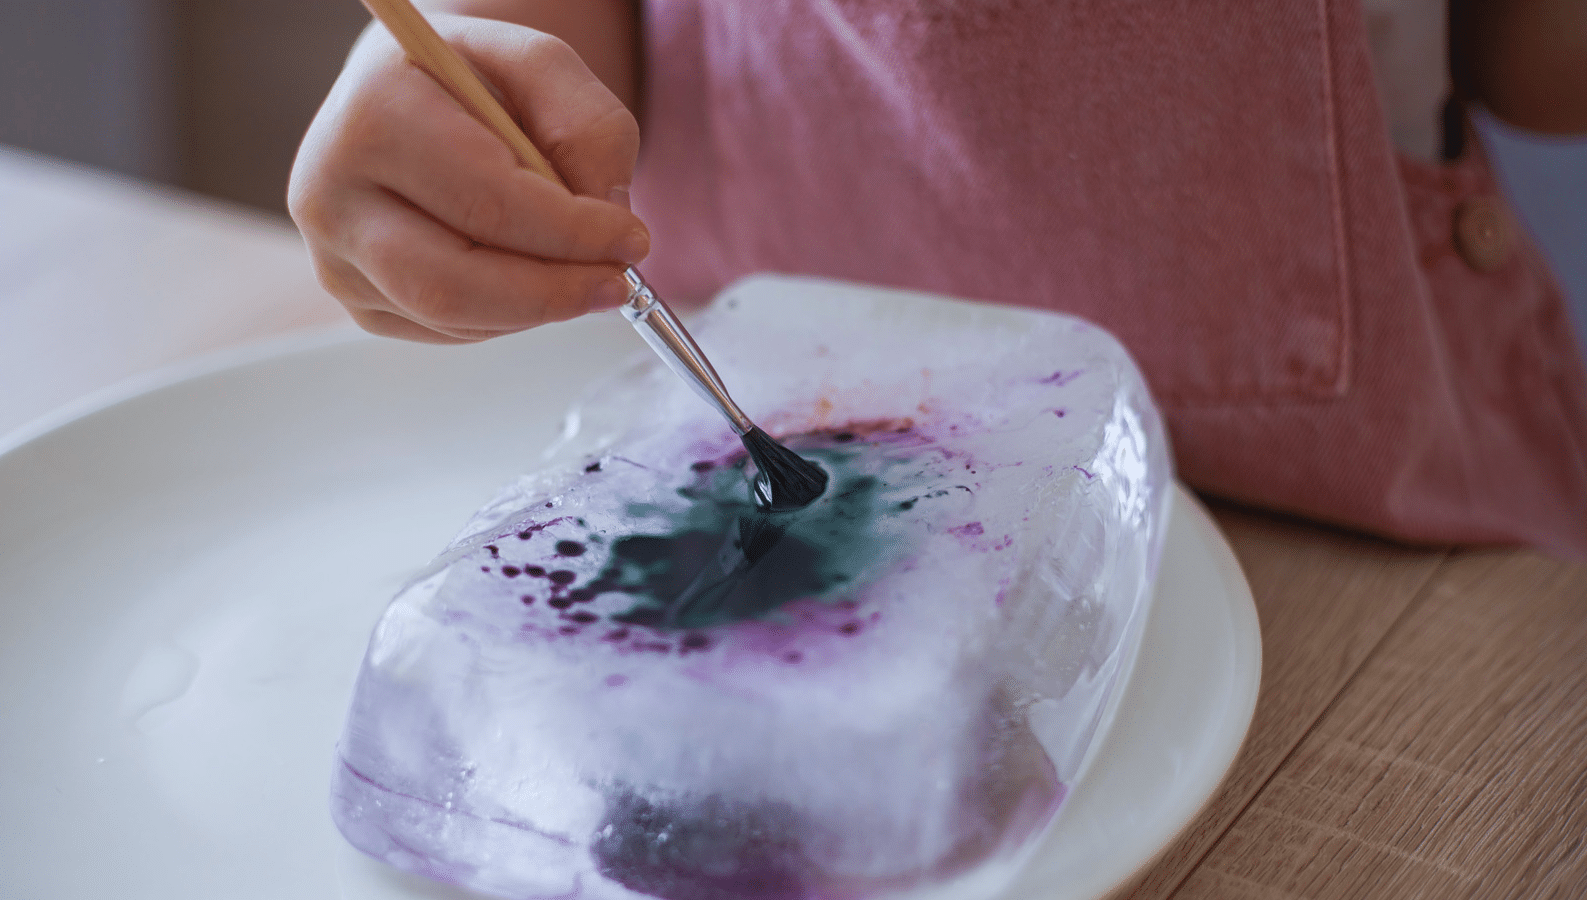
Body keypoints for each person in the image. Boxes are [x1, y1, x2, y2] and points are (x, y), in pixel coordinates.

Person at [289, 0, 1587, 558]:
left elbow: (1535, 65)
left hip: (1356, 517)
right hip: (746, 490)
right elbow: (542, 32)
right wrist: (464, 105)